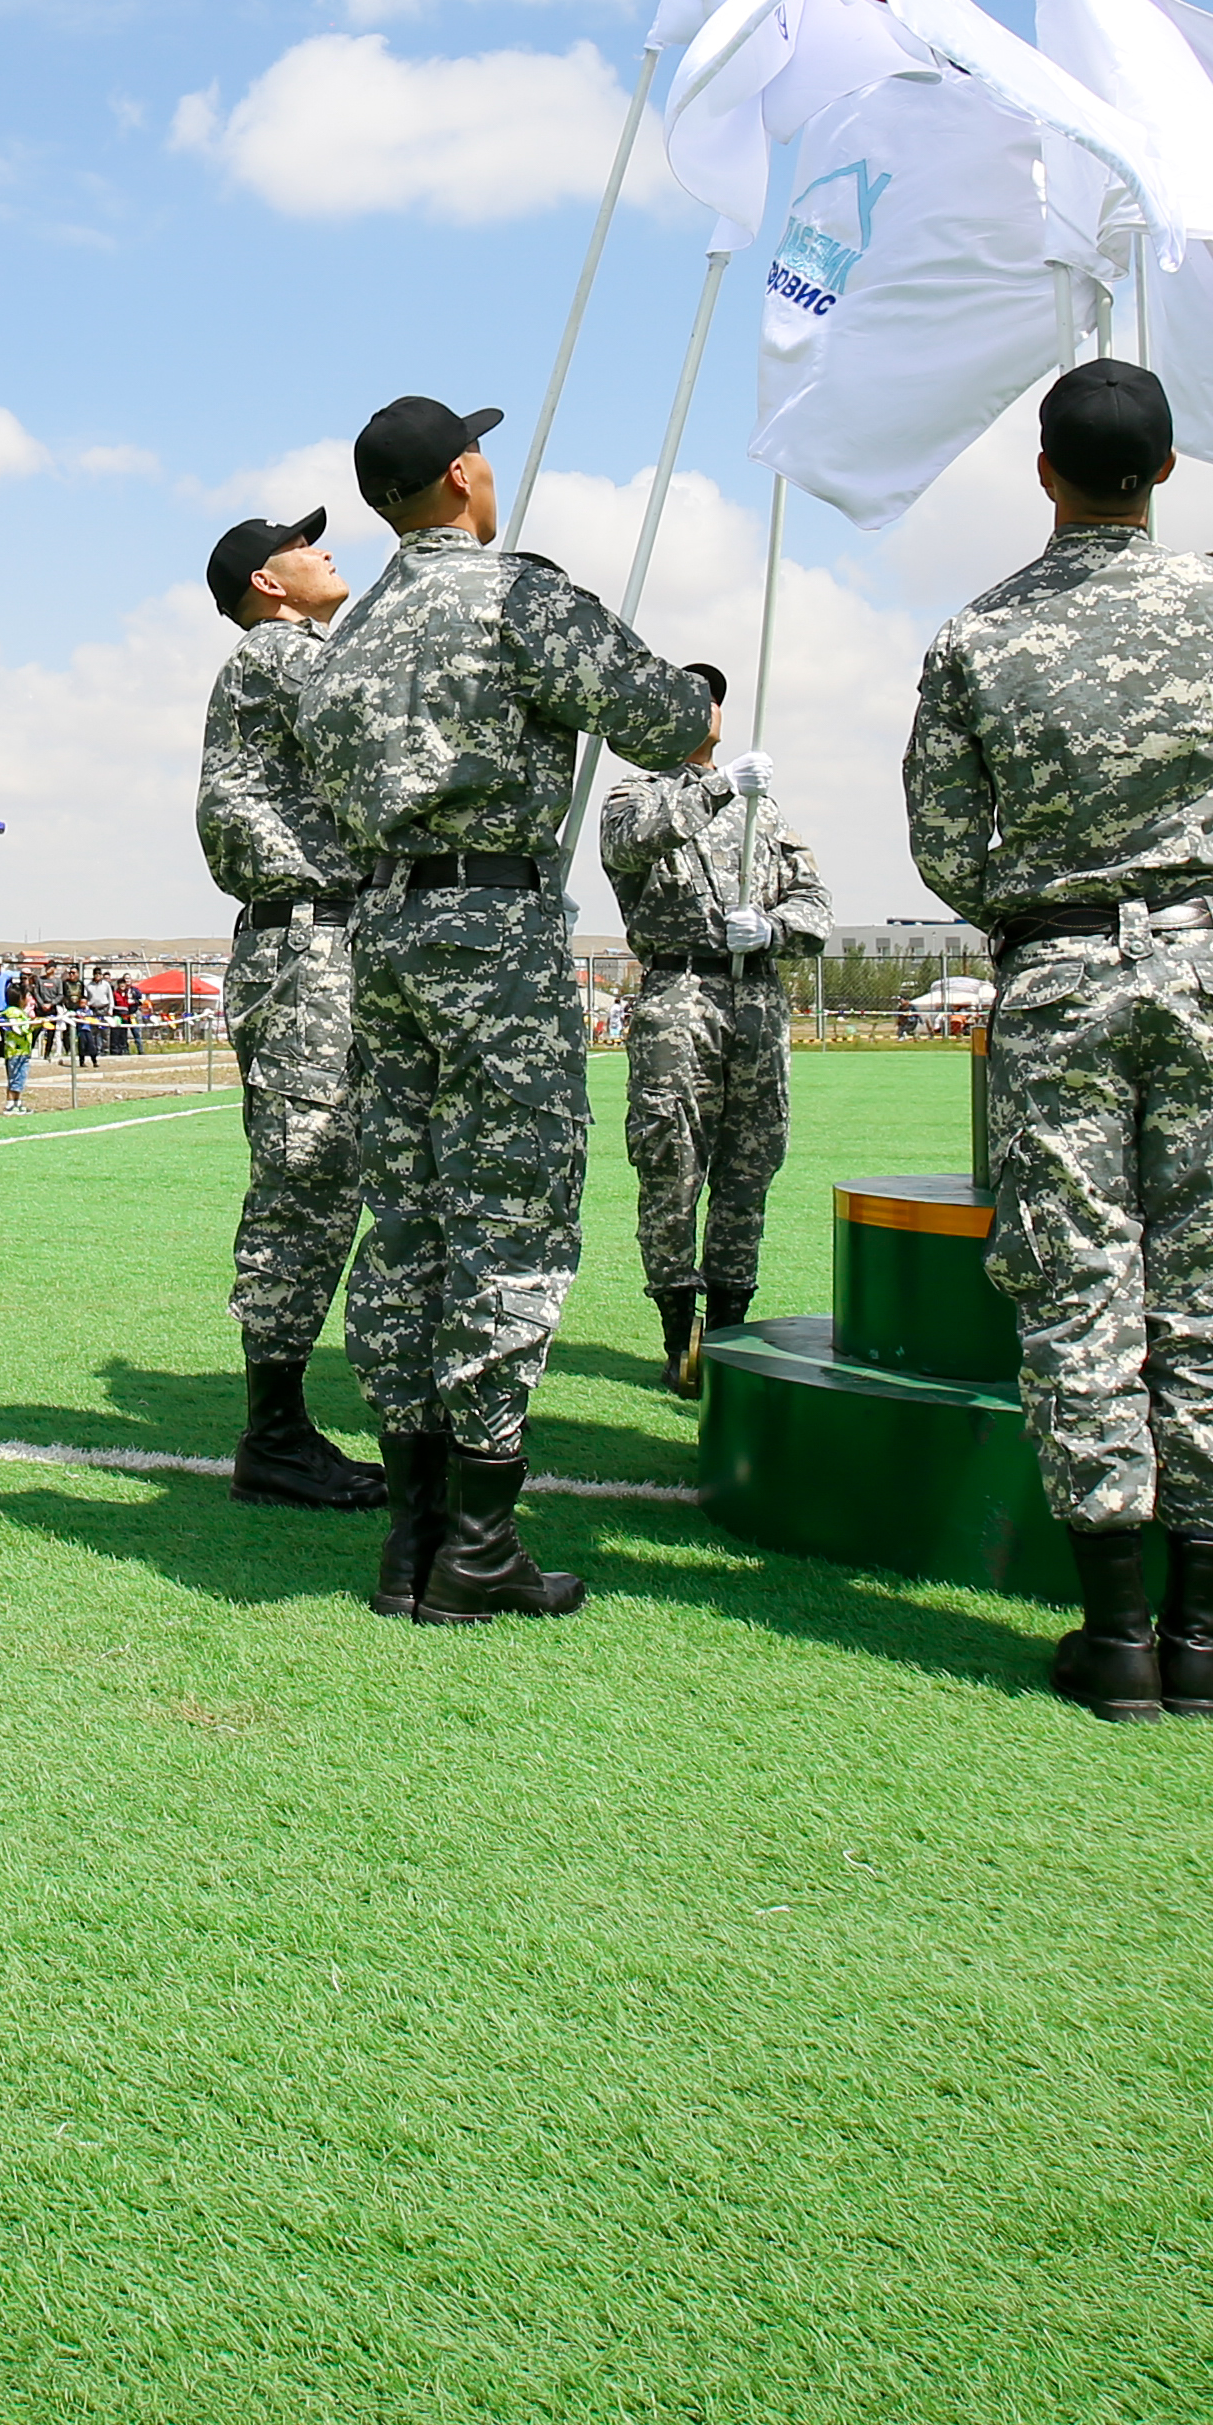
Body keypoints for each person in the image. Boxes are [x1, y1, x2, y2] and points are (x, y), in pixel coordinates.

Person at [900, 359, 1213, 1722]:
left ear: (1043, 474)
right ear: (1165, 472)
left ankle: (1117, 1631)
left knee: (1079, 1289)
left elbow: (940, 843)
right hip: (1208, 972)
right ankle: (1202, 1637)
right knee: (1209, 1288)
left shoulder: (976, 634)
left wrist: (1039, 913)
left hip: (1060, 974)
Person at [298, 394, 714, 1623]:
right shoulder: (513, 594)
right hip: (492, 930)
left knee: (410, 1219)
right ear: (466, 476)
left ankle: (413, 1535)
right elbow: (676, 725)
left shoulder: (353, 633)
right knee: (508, 1217)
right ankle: (478, 1542)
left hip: (381, 932)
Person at [192, 505, 392, 1515]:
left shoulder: (298, 650)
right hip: (305, 940)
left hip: (337, 936)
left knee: (336, 1172)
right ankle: (273, 1435)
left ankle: (293, 1419)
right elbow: (392, 710)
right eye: (306, 547)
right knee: (305, 1173)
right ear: (269, 584)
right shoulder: (281, 653)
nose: (327, 553)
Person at [597, 660, 830, 1394]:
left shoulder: (765, 809)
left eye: (716, 698)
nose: (709, 709)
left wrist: (774, 926)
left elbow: (816, 902)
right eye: (691, 697)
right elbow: (630, 846)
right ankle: (677, 1330)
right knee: (671, 1159)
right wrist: (720, 785)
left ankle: (728, 1331)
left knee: (749, 1163)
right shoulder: (637, 792)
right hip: (680, 992)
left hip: (755, 996)